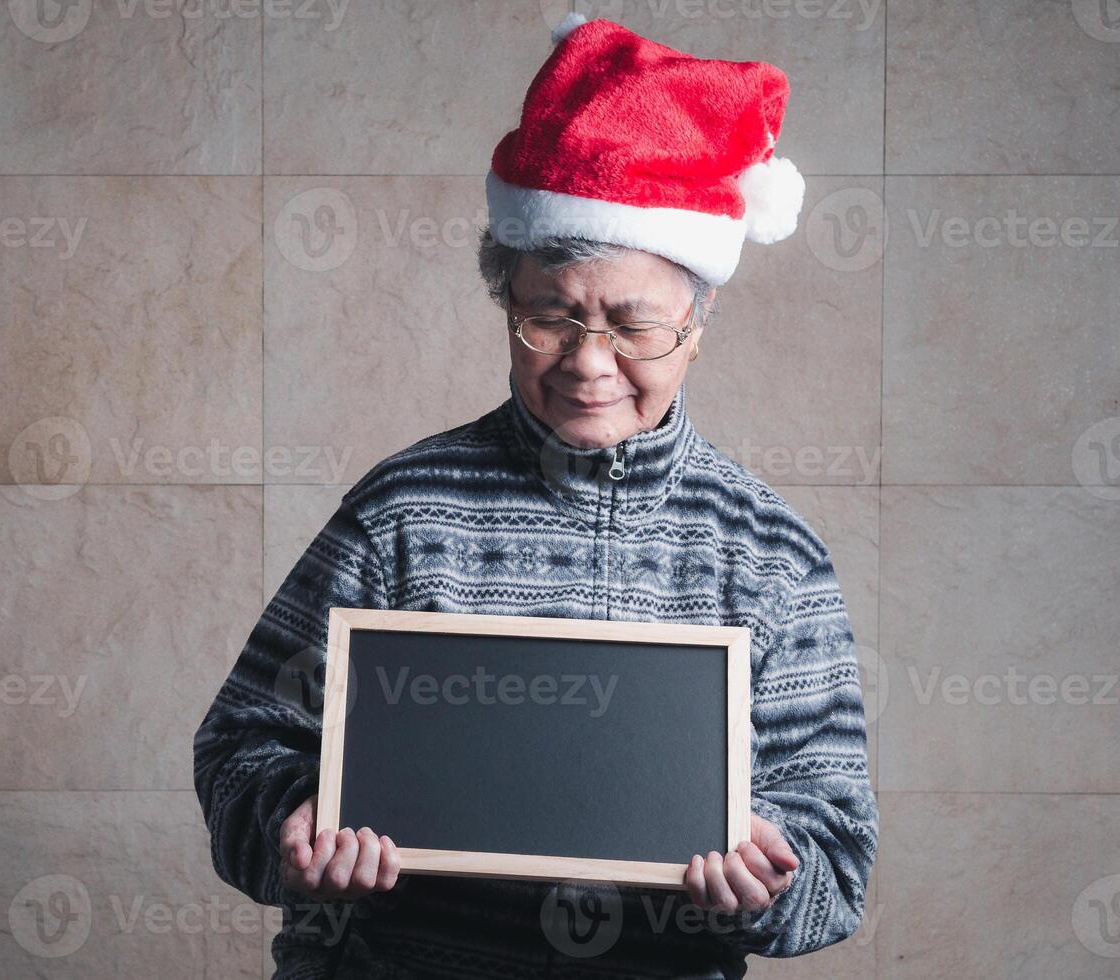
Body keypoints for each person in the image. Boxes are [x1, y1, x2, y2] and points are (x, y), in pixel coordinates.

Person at [195, 14, 876, 978]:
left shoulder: (769, 553)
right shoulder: (404, 511)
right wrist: (294, 833)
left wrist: (774, 874)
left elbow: (838, 855)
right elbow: (240, 745)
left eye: (634, 327)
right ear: (507, 298)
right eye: (549, 318)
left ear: (699, 318)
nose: (589, 364)